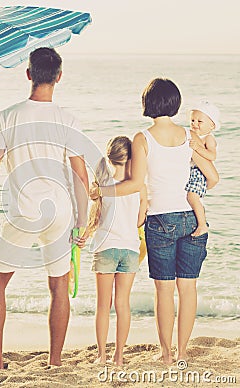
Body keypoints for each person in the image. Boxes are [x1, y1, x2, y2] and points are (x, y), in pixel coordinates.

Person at [88, 78, 219, 364]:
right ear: (175, 103)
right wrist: (192, 192)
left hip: (160, 221)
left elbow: (135, 184)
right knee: (188, 287)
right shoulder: (188, 136)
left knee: (164, 290)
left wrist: (101, 191)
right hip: (190, 217)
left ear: (147, 103)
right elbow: (212, 177)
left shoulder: (142, 138)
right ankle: (183, 352)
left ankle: (167, 354)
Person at [0, 47, 89, 369]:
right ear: (59, 76)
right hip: (60, 212)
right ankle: (55, 362)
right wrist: (82, 222)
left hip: (25, 213)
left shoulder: (9, 116)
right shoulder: (68, 119)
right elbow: (80, 175)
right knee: (59, 286)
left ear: (28, 74)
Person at [78, 136, 147, 366]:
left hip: (105, 249)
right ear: (132, 159)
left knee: (102, 306)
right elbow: (140, 220)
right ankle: (119, 357)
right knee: (123, 305)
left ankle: (101, 356)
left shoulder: (102, 186)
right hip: (129, 250)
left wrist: (85, 235)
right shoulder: (139, 187)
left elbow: (95, 217)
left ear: (110, 158)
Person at [185, 100, 220, 236]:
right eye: (192, 120)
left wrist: (197, 147)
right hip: (192, 171)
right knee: (191, 197)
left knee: (192, 196)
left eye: (200, 121)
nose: (194, 124)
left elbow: (212, 156)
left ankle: (202, 224)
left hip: (199, 172)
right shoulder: (195, 136)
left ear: (211, 125)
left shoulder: (208, 138)